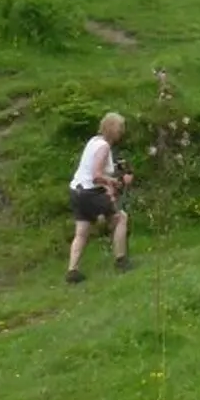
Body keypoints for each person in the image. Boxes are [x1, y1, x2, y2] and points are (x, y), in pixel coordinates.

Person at [67, 112, 133, 284]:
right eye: (120, 129)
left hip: (76, 191)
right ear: (113, 130)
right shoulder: (104, 147)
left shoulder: (93, 141)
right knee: (120, 219)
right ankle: (121, 260)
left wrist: (110, 185)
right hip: (90, 191)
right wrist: (116, 181)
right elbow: (96, 176)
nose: (122, 132)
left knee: (81, 232)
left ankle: (72, 270)